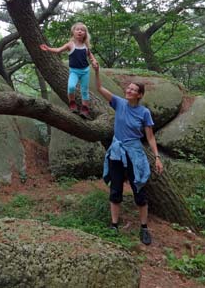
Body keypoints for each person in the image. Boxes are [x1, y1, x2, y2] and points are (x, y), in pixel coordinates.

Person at [93, 60, 164, 245]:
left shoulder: (144, 113)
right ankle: (114, 225)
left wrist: (157, 157)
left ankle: (144, 228)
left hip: (134, 153)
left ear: (139, 94)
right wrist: (97, 70)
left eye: (133, 90)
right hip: (117, 152)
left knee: (139, 190)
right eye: (128, 88)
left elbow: (150, 138)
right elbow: (99, 88)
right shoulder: (119, 103)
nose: (129, 91)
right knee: (115, 189)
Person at [39, 22, 97, 118]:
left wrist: (94, 61)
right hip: (74, 71)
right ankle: (72, 103)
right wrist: (48, 48)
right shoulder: (70, 44)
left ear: (85, 34)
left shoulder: (85, 46)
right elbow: (58, 50)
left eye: (82, 30)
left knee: (84, 91)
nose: (80, 31)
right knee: (71, 87)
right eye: (77, 29)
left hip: (85, 71)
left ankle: (85, 109)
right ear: (73, 32)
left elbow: (90, 55)